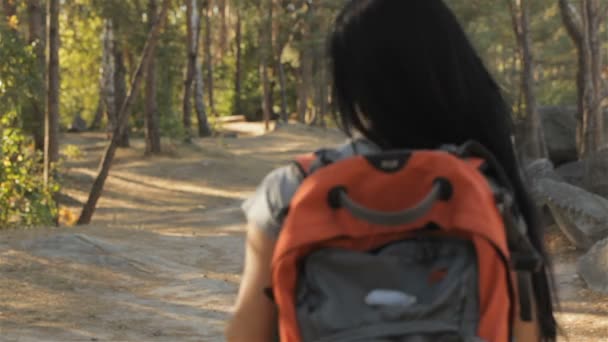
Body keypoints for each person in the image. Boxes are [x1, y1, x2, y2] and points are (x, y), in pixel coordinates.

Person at [225, 0, 558, 341]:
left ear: (350, 84)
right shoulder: (485, 188)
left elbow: (247, 333)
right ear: (453, 73)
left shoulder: (292, 190)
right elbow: (523, 332)